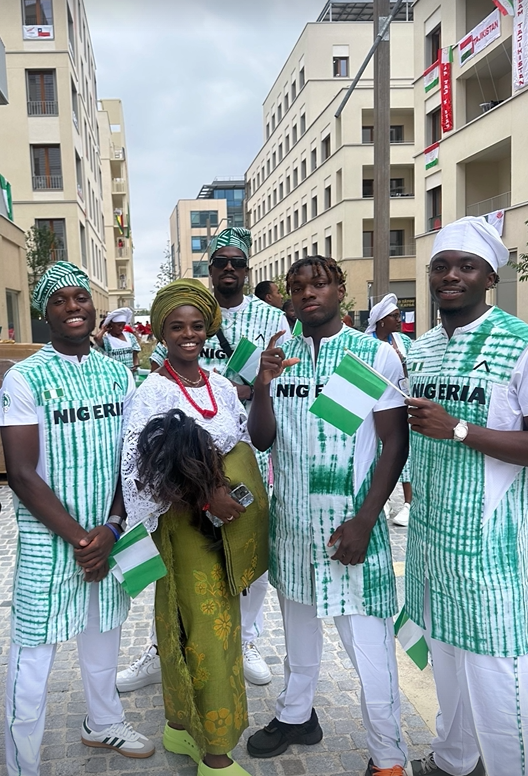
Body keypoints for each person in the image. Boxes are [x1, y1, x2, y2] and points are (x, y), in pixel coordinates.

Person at [246, 256, 409, 776]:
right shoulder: (280, 354)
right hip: (292, 527)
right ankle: (296, 715)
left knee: (368, 648)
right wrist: (264, 386)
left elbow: (394, 443)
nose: (306, 294)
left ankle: (387, 757)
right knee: (298, 633)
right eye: (296, 288)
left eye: (318, 284)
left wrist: (366, 519)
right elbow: (263, 440)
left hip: (349, 529)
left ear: (341, 289)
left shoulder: (372, 356)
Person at [0, 261, 155, 776]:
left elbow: (128, 460)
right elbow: (22, 474)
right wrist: (81, 540)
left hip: (109, 533)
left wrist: (111, 529)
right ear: (45, 311)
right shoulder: (24, 378)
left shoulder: (118, 373)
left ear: (94, 306)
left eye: (81, 298)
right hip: (51, 540)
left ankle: (102, 721)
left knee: (103, 632)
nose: (73, 307)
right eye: (60, 299)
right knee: (32, 654)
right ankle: (22, 764)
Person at [121, 227, 289, 691]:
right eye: (220, 262)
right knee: (186, 594)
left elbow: (254, 429)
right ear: (210, 268)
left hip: (237, 471)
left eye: (237, 261)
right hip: (185, 499)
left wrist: (257, 389)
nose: (229, 268)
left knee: (242, 570)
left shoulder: (269, 318)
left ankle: (247, 640)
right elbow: (152, 443)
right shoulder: (162, 377)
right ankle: (164, 654)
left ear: (247, 267)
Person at [121, 279, 268, 776]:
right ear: (161, 331)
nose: (188, 335)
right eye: (176, 327)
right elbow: (144, 469)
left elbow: (246, 442)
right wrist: (207, 494)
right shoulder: (152, 390)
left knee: (198, 628)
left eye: (197, 326)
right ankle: (216, 753)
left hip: (222, 529)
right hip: (185, 531)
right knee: (206, 631)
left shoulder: (221, 385)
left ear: (209, 329)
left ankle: (180, 729)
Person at [405, 216, 528, 776]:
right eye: (441, 266)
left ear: (489, 278)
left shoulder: (518, 343)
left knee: (497, 670)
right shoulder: (422, 348)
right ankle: (454, 760)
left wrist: (459, 429)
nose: (450, 275)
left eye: (466, 267)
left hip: (489, 546)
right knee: (447, 661)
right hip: (431, 541)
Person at [366, 294, 413, 527]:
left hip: (402, 401)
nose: (399, 319)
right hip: (375, 404)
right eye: (394, 316)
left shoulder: (404, 341)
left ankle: (407, 503)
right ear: (382, 320)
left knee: (403, 451)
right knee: (375, 451)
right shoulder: (367, 343)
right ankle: (379, 497)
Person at [94, 307, 140, 372]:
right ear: (112, 324)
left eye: (123, 325)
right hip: (114, 373)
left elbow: (135, 354)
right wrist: (103, 330)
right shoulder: (107, 340)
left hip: (130, 373)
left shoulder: (130, 337)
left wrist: (135, 365)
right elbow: (96, 338)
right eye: (119, 325)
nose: (121, 328)